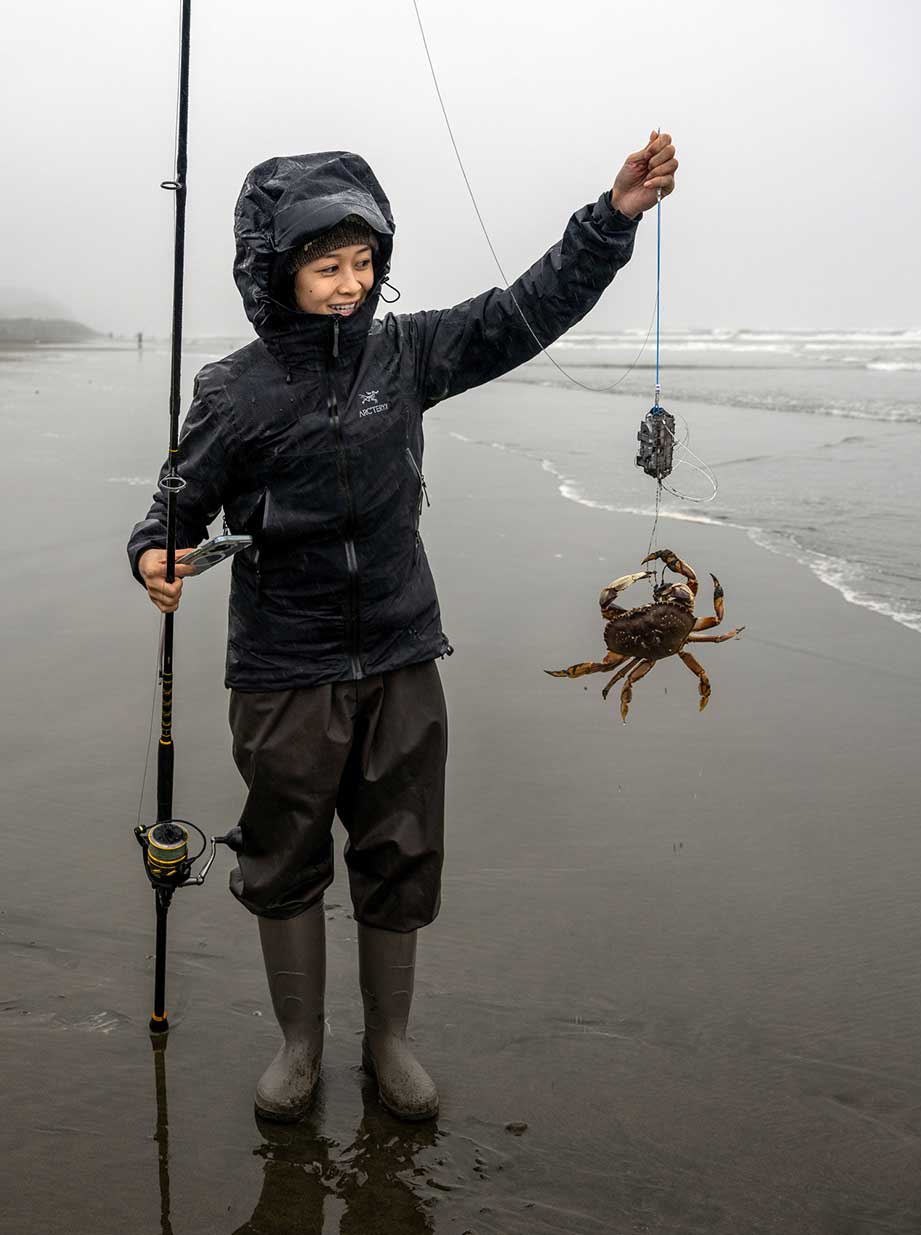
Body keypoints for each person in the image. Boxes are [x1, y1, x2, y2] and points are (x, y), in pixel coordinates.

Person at [128, 133, 679, 1123]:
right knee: (284, 845)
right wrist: (154, 550)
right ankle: (300, 1042)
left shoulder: (407, 352)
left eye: (363, 262)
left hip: (398, 650)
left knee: (401, 841)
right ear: (277, 273)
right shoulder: (234, 389)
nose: (350, 284)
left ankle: (389, 1040)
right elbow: (177, 500)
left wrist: (610, 218)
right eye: (327, 266)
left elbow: (522, 312)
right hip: (283, 663)